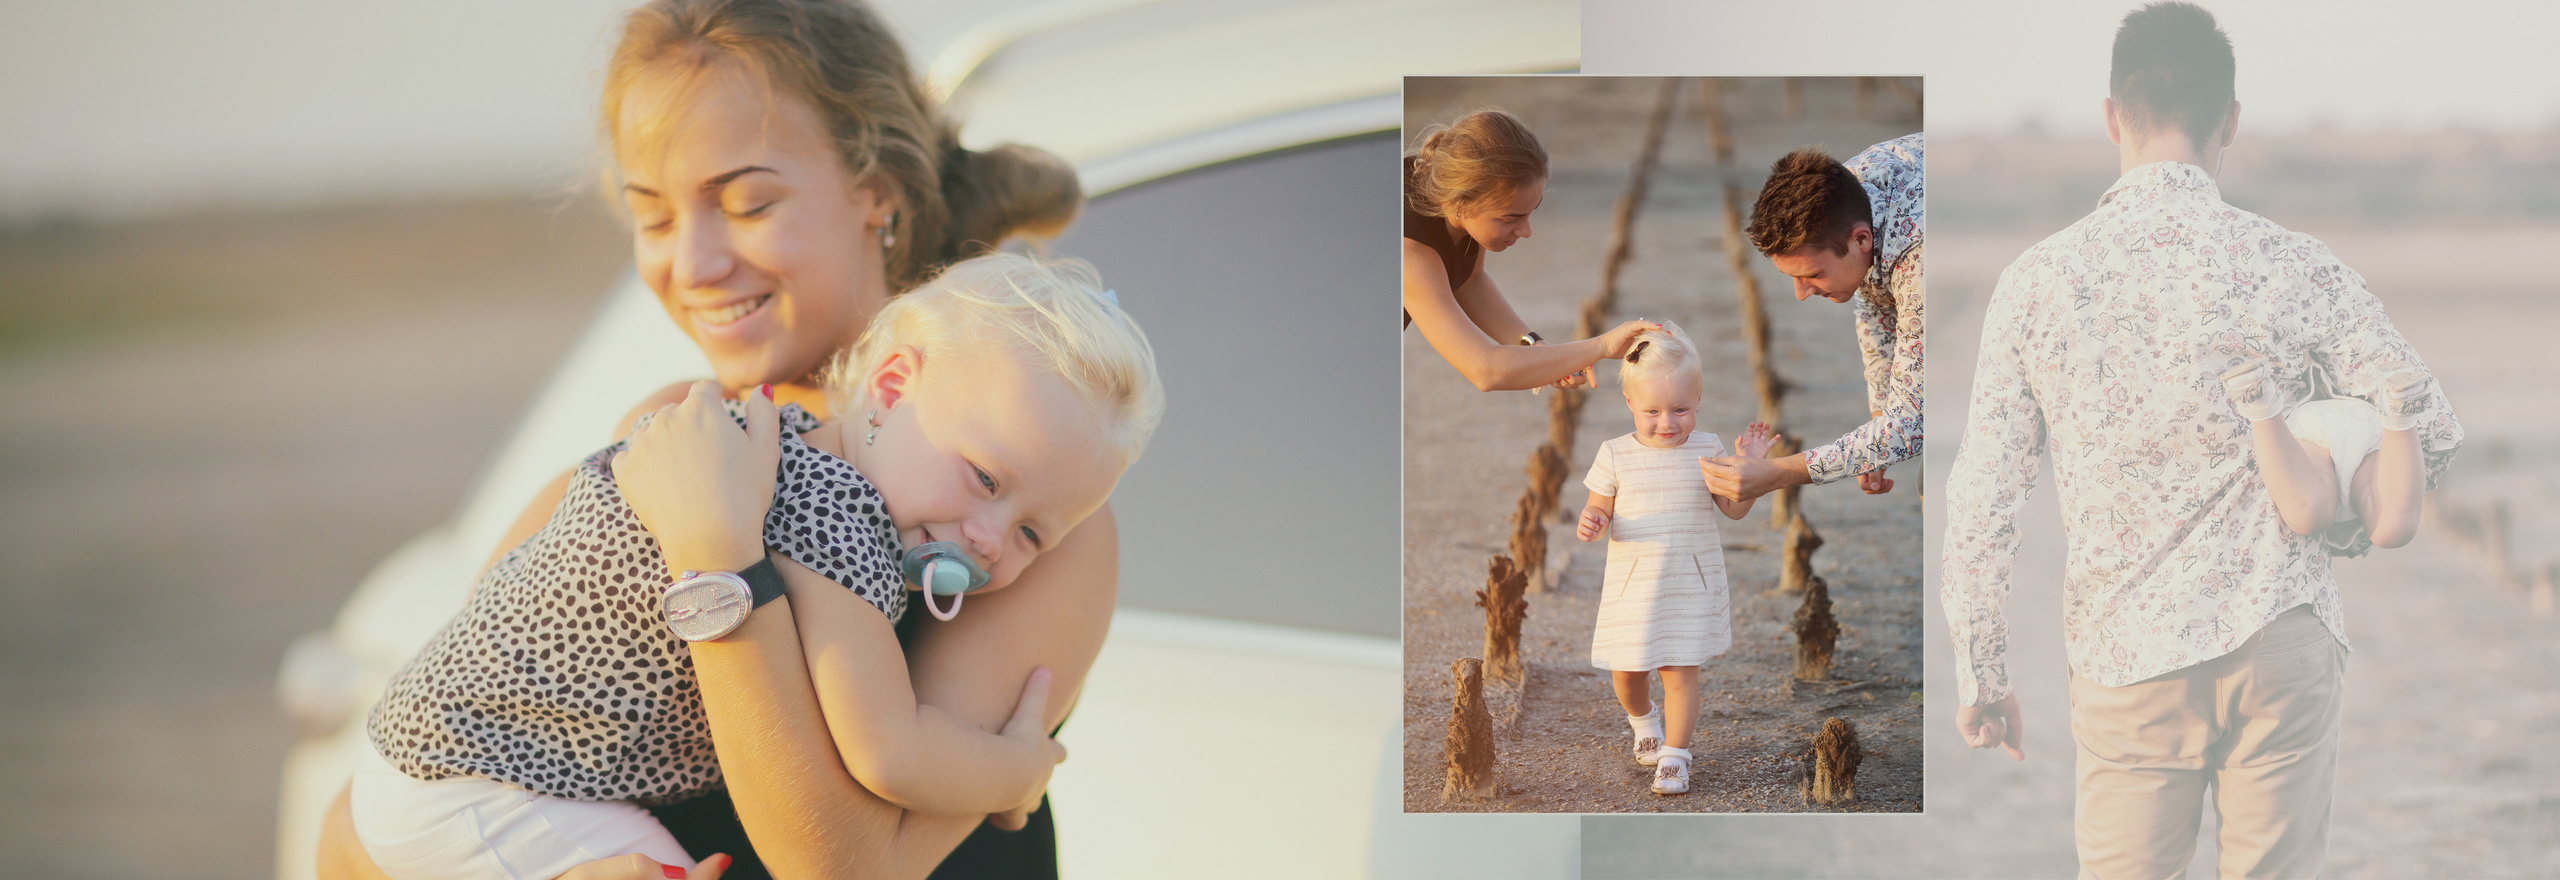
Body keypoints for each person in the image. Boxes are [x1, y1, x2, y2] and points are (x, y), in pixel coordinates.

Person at [316, 1, 1113, 876]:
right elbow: (378, 817)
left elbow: (842, 866)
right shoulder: (666, 435)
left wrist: (719, 558)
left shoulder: (1019, 517)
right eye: (654, 217)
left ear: (875, 194)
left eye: (748, 203)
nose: (691, 265)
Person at [347, 256, 1156, 879]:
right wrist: (1020, 769)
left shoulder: (762, 443)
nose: (987, 537)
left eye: (1032, 536)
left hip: (448, 763)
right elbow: (891, 752)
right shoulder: (835, 523)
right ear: (892, 384)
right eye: (984, 478)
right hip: (479, 785)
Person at [1940, 4, 2461, 876]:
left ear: (2112, 115)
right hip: (2282, 634)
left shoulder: (2036, 283)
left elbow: (1983, 500)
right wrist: (2330, 499)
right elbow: (2432, 429)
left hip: (2126, 654)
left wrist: (1984, 674)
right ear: (2231, 119)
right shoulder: (2291, 262)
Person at [1572, 324, 1773, 796]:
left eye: (1680, 409)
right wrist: (1592, 520)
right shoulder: (1615, 454)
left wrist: (1754, 470)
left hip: (1689, 580)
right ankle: (1643, 721)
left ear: (1698, 399)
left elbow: (1733, 510)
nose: (1668, 422)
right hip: (1634, 585)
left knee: (1680, 672)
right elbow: (1598, 505)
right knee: (1628, 673)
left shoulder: (1708, 450)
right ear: (1629, 405)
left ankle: (1676, 757)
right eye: (1653, 411)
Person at [1696, 135, 1923, 502]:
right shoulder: (1848, 194)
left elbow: (1912, 423)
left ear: (1861, 240)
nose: (1801, 294)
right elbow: (1874, 300)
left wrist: (1776, 473)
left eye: (1813, 275)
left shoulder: (1920, 266)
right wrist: (1880, 421)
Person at [1402, 108, 1657, 392]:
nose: (1527, 231)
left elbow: (1470, 280)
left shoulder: (1448, 189)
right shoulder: (1409, 252)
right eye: (1510, 218)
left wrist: (1538, 348)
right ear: (1461, 202)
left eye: (1531, 211)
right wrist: (1602, 346)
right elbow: (1485, 370)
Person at [2221, 359, 2434, 554]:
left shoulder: (2352, 513)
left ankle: (2401, 417)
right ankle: (2260, 404)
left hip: (2346, 431)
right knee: (2314, 510)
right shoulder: (2359, 511)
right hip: (2337, 431)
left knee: (2390, 526)